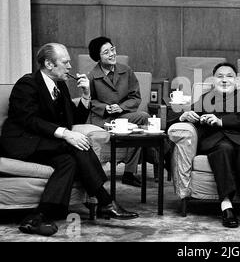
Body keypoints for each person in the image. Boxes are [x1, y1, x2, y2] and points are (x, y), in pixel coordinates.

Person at [0, 43, 138, 237]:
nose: (70, 67)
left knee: (69, 161)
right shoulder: (28, 83)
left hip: (46, 143)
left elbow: (72, 119)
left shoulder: (60, 85)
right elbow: (29, 120)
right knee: (78, 146)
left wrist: (85, 97)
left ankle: (38, 216)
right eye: (65, 62)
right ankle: (105, 201)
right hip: (22, 142)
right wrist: (65, 134)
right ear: (49, 64)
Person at [178, 62, 240, 229]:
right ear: (213, 80)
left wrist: (221, 121)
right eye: (220, 76)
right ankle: (226, 206)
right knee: (224, 149)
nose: (225, 80)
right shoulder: (206, 98)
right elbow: (182, 115)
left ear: (236, 80)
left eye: (229, 76)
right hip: (217, 140)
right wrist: (185, 116)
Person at [87, 36, 150, 187]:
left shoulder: (126, 71)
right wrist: (105, 108)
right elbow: (88, 101)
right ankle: (163, 155)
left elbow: (135, 97)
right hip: (103, 119)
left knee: (144, 118)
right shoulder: (92, 76)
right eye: (106, 52)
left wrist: (121, 107)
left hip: (123, 115)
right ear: (98, 57)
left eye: (113, 49)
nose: (112, 54)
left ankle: (129, 172)